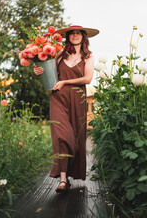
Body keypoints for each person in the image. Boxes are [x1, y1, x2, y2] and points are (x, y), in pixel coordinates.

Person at [33, 25, 99, 192]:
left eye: (78, 33)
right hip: (59, 99)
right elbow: (49, 72)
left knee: (75, 138)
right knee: (63, 136)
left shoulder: (88, 56)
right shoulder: (60, 54)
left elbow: (88, 78)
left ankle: (69, 174)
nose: (75, 36)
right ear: (68, 36)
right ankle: (63, 179)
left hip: (78, 99)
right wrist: (38, 69)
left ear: (83, 36)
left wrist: (65, 82)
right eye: (72, 33)